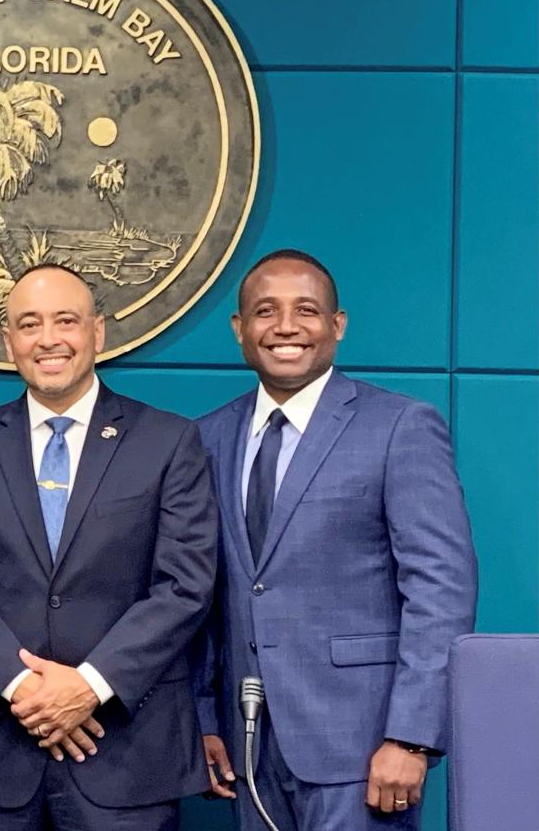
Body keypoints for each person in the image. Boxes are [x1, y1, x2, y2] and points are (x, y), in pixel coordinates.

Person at [0, 264, 218, 831]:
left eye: (66, 321)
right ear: (9, 342)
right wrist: (24, 689)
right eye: (29, 324)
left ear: (97, 332)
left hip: (128, 754)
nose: (48, 339)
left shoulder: (169, 442)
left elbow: (185, 586)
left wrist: (88, 686)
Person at [194, 249, 478, 831]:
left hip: (363, 748)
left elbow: (441, 588)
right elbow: (202, 593)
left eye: (307, 310)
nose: (286, 327)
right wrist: (202, 717)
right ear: (240, 329)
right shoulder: (209, 437)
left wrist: (412, 737)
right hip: (248, 744)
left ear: (337, 325)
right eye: (265, 311)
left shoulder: (399, 426)